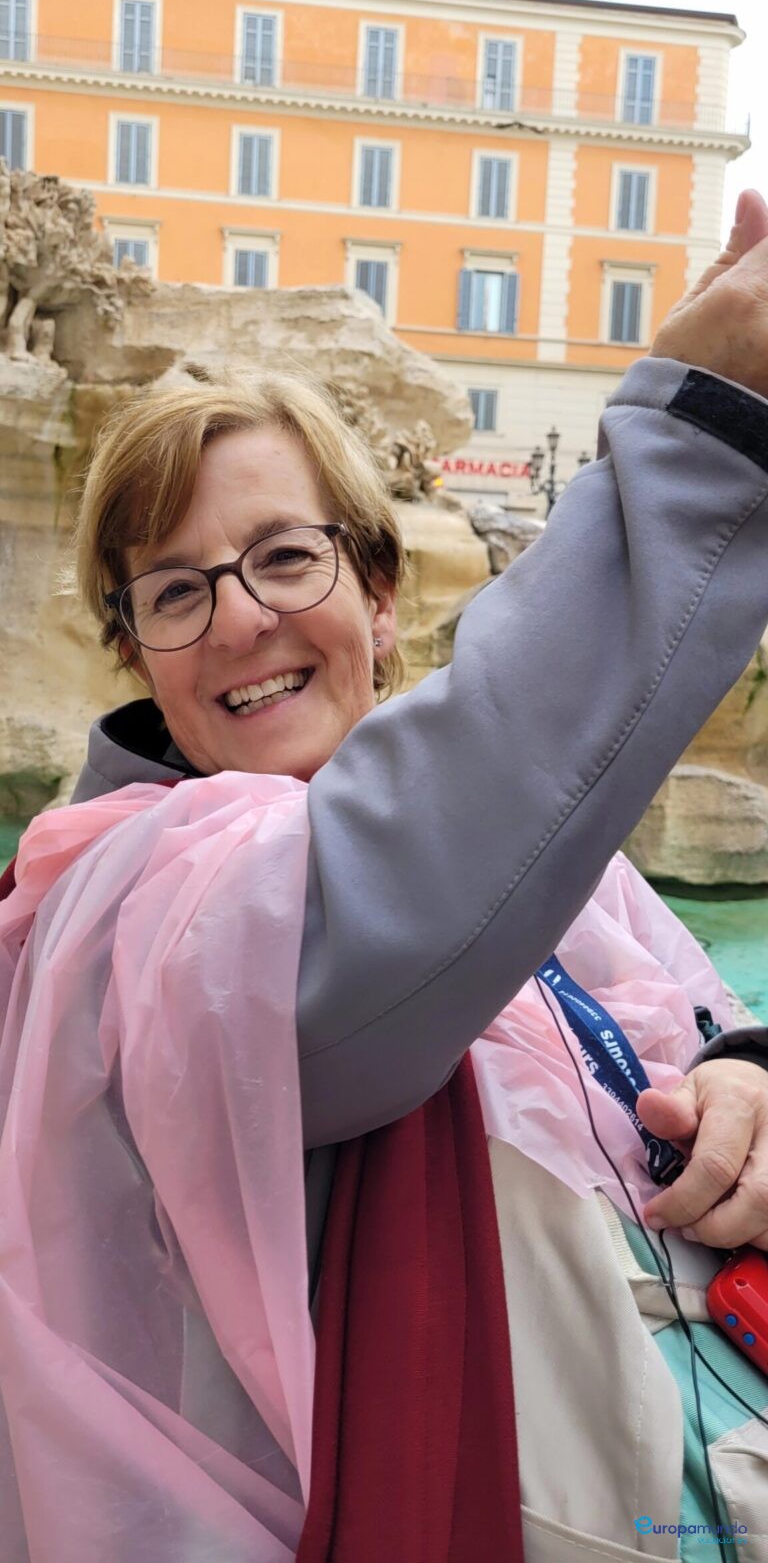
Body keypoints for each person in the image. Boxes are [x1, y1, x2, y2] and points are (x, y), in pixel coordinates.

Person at [3, 192, 768, 1562]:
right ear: (137, 657)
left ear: (373, 592)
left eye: (285, 556)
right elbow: (373, 915)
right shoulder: (115, 916)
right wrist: (703, 440)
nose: (240, 615)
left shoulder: (569, 881)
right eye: (175, 591)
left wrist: (755, 1084)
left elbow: (690, 1007)